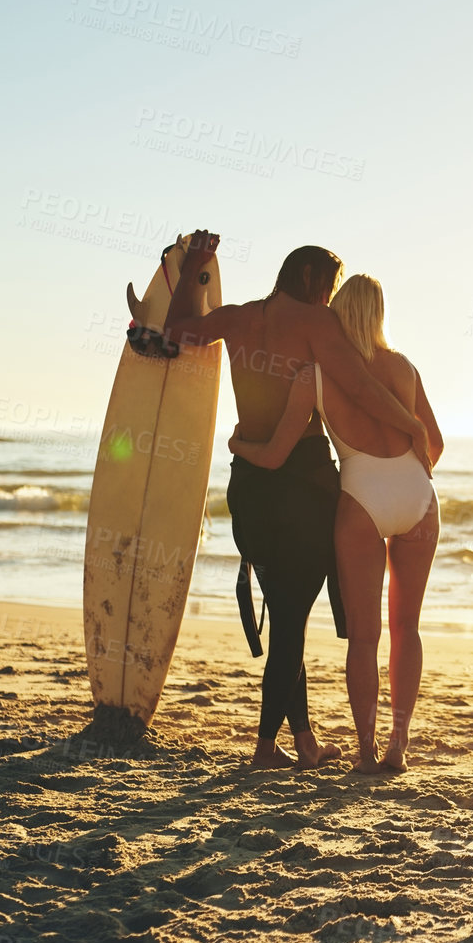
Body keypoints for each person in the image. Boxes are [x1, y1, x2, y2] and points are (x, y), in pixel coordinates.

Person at [162, 233, 431, 770]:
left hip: (250, 485)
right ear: (310, 281)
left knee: (287, 612)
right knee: (291, 620)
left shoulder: (236, 319)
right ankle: (267, 746)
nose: (332, 300)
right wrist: (413, 428)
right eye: (328, 287)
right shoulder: (317, 323)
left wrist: (193, 266)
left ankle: (303, 740)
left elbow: (177, 332)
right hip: (302, 485)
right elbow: (359, 388)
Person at [234, 273, 442, 773]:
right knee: (406, 627)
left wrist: (240, 445)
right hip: (418, 497)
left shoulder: (314, 375)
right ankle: (398, 745)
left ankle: (366, 752)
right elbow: (433, 444)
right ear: (380, 314)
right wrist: (406, 471)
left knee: (366, 635)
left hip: (361, 500)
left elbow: (279, 450)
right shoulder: (405, 367)